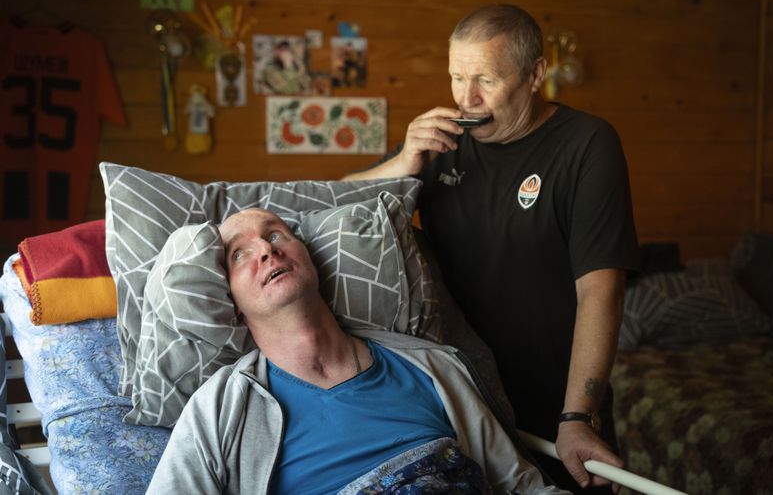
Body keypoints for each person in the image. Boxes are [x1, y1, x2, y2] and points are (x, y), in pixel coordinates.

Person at [344, 4, 639, 493]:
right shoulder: (443, 142)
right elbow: (335, 203)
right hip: (458, 394)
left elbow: (601, 289)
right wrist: (402, 163)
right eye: (457, 78)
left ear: (535, 74)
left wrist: (577, 415)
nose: (468, 99)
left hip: (555, 397)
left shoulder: (588, 143)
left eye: (486, 80)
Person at [147, 208, 571, 494]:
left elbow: (522, 486)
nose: (267, 249)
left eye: (276, 234)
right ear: (232, 305)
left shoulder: (433, 367)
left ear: (309, 260)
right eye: (239, 253)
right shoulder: (219, 408)